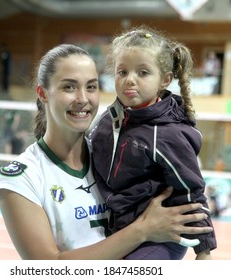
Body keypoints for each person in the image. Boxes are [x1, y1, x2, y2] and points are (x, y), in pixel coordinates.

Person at [0, 44, 213, 260]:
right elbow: (47, 267)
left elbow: (184, 197)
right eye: (69, 87)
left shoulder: (118, 154)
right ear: (43, 93)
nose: (83, 99)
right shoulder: (22, 177)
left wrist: (200, 248)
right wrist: (142, 230)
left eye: (91, 87)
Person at [89, 26, 216, 260]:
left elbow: (191, 190)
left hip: (159, 238)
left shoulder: (168, 133)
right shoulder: (108, 119)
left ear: (164, 80)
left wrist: (204, 251)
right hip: (121, 228)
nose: (130, 80)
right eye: (122, 71)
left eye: (143, 73)